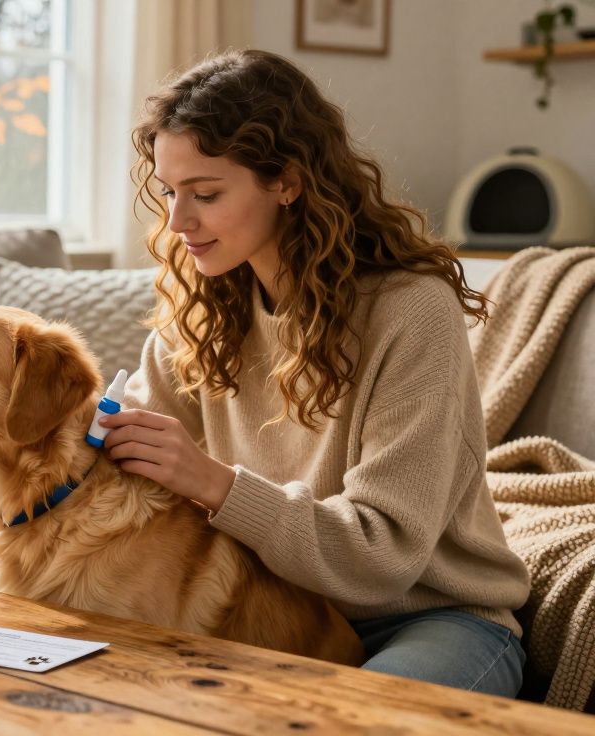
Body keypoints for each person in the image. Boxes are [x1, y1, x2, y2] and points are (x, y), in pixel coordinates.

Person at [99, 49, 531, 697]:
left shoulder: (411, 310)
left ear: (287, 181)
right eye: (169, 192)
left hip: (427, 618)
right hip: (274, 610)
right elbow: (130, 456)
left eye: (206, 194)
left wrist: (212, 482)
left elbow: (383, 556)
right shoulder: (203, 309)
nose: (178, 222)